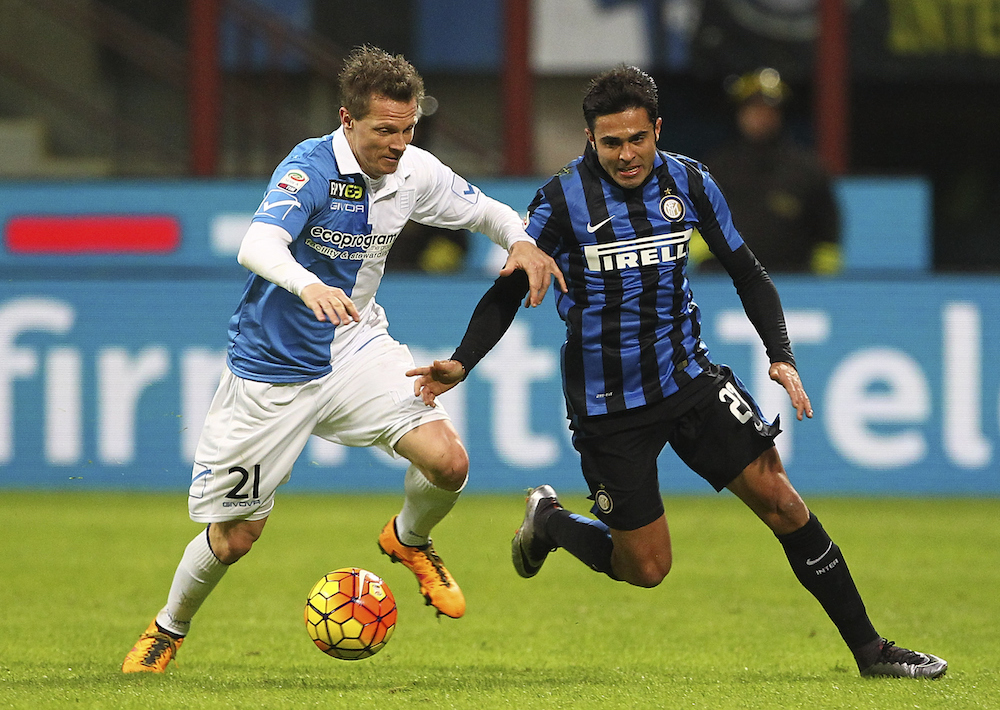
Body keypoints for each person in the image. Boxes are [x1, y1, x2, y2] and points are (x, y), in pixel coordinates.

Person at [408, 65, 946, 679]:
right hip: (609, 405)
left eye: (638, 138)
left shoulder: (689, 181)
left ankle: (872, 652)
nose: (627, 154)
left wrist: (780, 354)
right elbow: (508, 290)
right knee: (646, 568)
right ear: (590, 139)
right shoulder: (560, 202)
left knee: (783, 502)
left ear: (658, 129)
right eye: (611, 142)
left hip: (690, 379)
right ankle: (551, 522)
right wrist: (462, 360)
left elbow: (748, 272)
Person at [122, 45, 564, 673]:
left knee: (448, 462)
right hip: (273, 370)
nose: (399, 143)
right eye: (385, 130)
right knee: (236, 537)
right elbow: (257, 243)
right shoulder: (308, 169)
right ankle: (169, 628)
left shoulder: (411, 169)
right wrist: (307, 284)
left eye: (408, 129)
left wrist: (520, 241)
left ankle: (409, 540)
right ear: (347, 120)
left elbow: (486, 210)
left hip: (355, 348)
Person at [695, 67, 841, 275]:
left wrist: (818, 282)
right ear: (739, 114)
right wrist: (708, 267)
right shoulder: (716, 168)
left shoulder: (807, 170)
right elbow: (696, 221)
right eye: (752, 109)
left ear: (780, 115)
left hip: (794, 282)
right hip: (728, 282)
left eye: (768, 109)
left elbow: (827, 233)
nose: (760, 116)